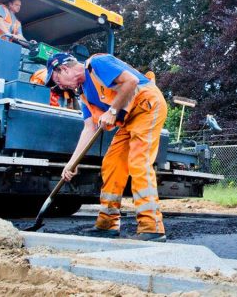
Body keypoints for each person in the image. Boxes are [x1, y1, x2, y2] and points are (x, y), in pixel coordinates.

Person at [48, 52, 168, 242]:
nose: (59, 86)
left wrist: (112, 111)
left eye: (57, 79)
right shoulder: (83, 94)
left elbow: (131, 81)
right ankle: (107, 224)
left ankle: (152, 227)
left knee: (139, 163)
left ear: (64, 69)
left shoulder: (96, 64)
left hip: (148, 106)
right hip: (129, 119)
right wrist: (72, 163)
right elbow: (89, 128)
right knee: (111, 164)